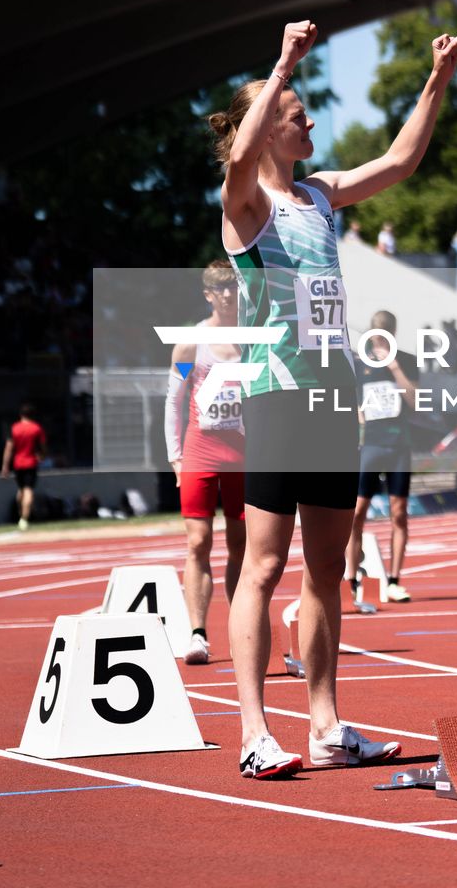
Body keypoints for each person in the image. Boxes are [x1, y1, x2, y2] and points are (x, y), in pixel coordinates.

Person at [210, 17, 457, 781]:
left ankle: (325, 725)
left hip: (331, 400)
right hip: (278, 398)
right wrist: (281, 64)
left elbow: (399, 161)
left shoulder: (319, 197)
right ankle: (255, 732)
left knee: (326, 568)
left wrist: (437, 81)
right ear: (270, 126)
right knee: (263, 566)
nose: (310, 122)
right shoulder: (246, 205)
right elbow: (244, 153)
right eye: (297, 114)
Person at [164, 262, 247, 664]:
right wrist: (175, 457)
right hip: (200, 450)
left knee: (241, 547)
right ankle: (197, 632)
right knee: (198, 541)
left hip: (245, 455)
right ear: (207, 294)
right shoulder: (190, 344)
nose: (228, 294)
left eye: (232, 287)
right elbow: (173, 400)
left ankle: (242, 629)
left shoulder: (253, 340)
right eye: (219, 289)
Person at [346, 310, 416, 602]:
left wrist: (396, 367)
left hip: (399, 445)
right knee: (357, 513)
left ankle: (394, 580)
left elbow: (414, 400)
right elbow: (351, 401)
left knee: (398, 513)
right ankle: (351, 576)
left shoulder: (407, 361)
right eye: (376, 334)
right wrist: (359, 416)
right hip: (371, 445)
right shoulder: (360, 364)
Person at [1, 403, 46, 530]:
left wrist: (5, 466)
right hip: (30, 462)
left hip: (17, 463)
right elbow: (42, 446)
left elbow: (9, 448)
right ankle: (24, 518)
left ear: (21, 414)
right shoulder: (36, 428)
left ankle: (20, 515)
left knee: (21, 490)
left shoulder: (14, 428)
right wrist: (42, 456)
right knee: (28, 490)